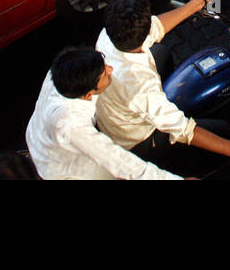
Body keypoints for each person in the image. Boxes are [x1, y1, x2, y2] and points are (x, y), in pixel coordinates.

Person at [95, 0, 230, 175]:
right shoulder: (140, 85)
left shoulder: (110, 34)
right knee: (223, 130)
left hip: (116, 107)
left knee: (161, 52)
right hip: (135, 139)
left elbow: (156, 27)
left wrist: (193, 6)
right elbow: (184, 130)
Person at [25, 46, 181, 180]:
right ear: (88, 95)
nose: (110, 69)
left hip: (41, 135)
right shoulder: (71, 125)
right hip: (60, 167)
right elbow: (119, 161)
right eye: (105, 74)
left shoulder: (63, 72)